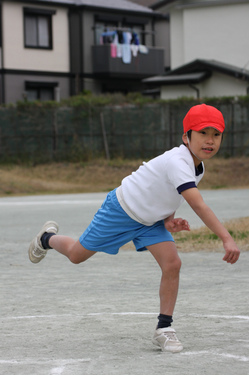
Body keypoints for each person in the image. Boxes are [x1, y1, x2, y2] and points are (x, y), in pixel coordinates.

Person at [28, 103, 240, 353]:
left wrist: (167, 220)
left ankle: (164, 329)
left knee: (172, 263)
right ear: (186, 136)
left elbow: (172, 193)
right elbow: (199, 205)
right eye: (202, 133)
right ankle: (46, 238)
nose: (210, 140)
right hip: (121, 210)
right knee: (76, 255)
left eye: (216, 134)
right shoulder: (177, 161)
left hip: (150, 222)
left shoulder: (198, 167)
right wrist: (226, 238)